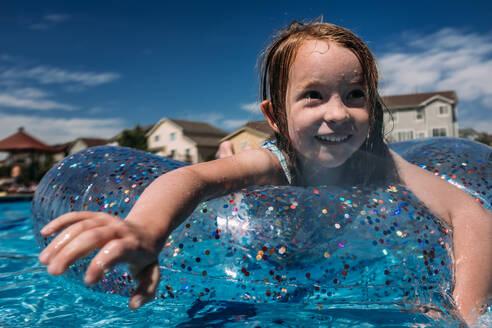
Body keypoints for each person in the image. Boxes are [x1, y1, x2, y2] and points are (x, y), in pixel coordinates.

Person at [38, 20, 492, 325]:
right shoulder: (275, 163)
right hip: (274, 254)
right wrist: (144, 230)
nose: (338, 113)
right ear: (274, 116)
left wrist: (464, 315)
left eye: (354, 95)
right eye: (312, 96)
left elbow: (469, 212)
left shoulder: (382, 165)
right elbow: (191, 181)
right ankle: (227, 148)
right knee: (225, 167)